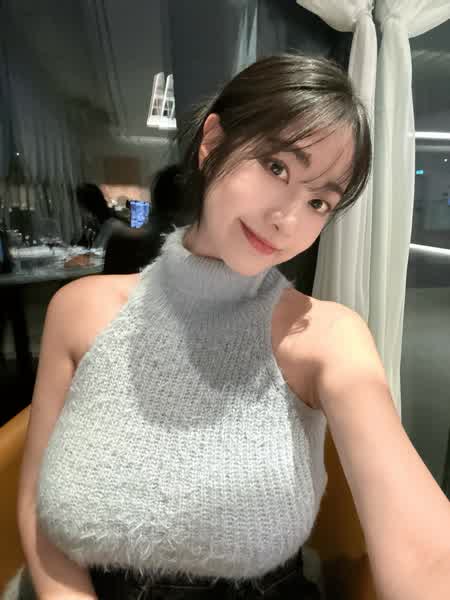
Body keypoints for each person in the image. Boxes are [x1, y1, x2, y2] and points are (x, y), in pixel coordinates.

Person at [9, 54, 450, 600]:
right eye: (276, 167)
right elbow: (35, 501)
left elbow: (427, 554)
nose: (287, 219)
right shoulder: (80, 310)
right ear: (213, 142)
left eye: (318, 201)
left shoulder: (326, 336)